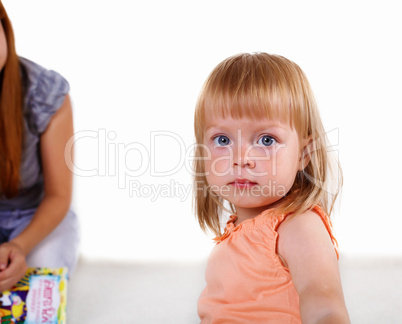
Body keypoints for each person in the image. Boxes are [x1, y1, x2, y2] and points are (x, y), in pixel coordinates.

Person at [194, 52, 350, 323]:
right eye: (222, 139)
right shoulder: (236, 233)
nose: (241, 158)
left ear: (304, 154)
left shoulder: (298, 226)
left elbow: (325, 307)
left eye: (266, 140)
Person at [0, 1, 79, 291]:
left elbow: (58, 195)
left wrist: (19, 247)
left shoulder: (44, 92)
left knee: (41, 281)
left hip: (36, 214)